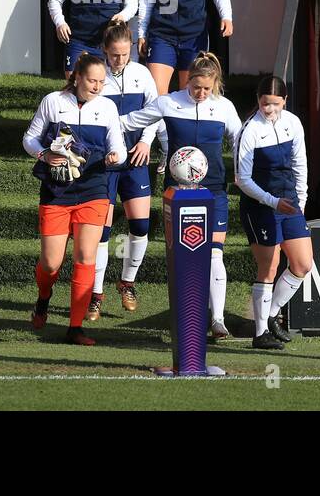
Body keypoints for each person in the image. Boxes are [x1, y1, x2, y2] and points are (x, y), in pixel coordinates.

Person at [121, 51, 241, 339]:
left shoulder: (223, 107)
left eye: (206, 89)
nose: (200, 93)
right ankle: (187, 318)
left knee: (214, 254)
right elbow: (130, 121)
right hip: (178, 194)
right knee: (184, 256)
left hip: (214, 191)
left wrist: (240, 171)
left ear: (215, 85)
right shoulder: (169, 102)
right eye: (196, 87)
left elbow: (240, 139)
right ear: (187, 80)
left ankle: (218, 320)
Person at [22, 53, 126, 345]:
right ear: (77, 77)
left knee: (85, 258)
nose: (97, 87)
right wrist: (44, 155)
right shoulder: (53, 101)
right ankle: (44, 297)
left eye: (102, 82)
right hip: (56, 192)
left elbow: (119, 147)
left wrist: (116, 156)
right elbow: (29, 139)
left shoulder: (107, 108)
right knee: (52, 263)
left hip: (94, 189)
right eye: (92, 80)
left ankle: (75, 327)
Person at [89, 21, 162, 321]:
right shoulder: (96, 74)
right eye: (115, 55)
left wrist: (146, 141)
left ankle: (127, 282)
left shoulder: (141, 74)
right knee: (102, 232)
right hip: (103, 164)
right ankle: (95, 294)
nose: (121, 60)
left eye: (125, 54)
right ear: (105, 50)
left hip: (134, 160)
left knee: (141, 227)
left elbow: (156, 111)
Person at [235, 76, 312, 351]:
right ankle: (260, 333)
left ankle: (270, 314)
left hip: (288, 202)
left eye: (275, 104)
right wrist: (271, 201)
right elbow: (242, 179)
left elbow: (300, 163)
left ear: (285, 101)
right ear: (258, 101)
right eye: (265, 104)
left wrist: (300, 201)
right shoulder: (249, 130)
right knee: (268, 266)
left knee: (303, 264)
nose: (270, 109)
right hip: (260, 204)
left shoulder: (292, 123)